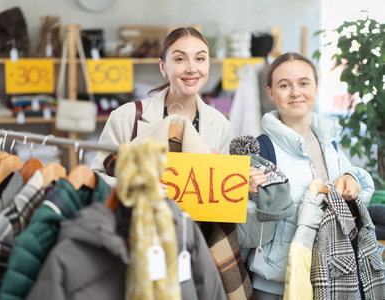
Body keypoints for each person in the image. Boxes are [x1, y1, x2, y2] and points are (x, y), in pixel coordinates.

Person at [244, 52, 375, 299]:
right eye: (284, 85)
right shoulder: (261, 149)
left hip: (329, 278)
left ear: (315, 87)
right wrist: (252, 196)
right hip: (277, 284)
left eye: (304, 83)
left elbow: (361, 194)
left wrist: (352, 181)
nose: (295, 92)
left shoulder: (328, 141)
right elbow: (244, 232)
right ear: (271, 92)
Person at [91, 27, 232, 186]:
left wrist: (222, 171)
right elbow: (96, 178)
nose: (192, 69)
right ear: (163, 67)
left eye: (200, 58)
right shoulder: (125, 116)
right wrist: (136, 186)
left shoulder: (221, 125)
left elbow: (225, 190)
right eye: (180, 59)